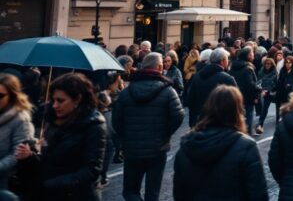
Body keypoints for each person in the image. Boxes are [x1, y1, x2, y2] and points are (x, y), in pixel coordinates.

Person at [15, 73, 107, 201]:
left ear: (77, 99)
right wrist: (29, 156)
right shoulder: (53, 120)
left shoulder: (94, 126)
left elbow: (91, 171)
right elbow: (47, 160)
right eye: (53, 100)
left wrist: (49, 184)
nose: (55, 105)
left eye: (60, 100)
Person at [173, 85, 269, 201]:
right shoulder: (246, 147)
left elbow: (179, 194)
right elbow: (258, 195)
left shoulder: (186, 147)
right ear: (237, 111)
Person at [112, 52, 184, 201]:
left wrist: (126, 136)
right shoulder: (168, 91)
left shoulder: (126, 92)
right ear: (159, 67)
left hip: (132, 148)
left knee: (131, 191)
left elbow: (116, 120)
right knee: (152, 193)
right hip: (157, 148)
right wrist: (165, 133)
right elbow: (178, 116)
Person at [187, 47, 237, 127]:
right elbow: (236, 104)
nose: (228, 61)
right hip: (221, 126)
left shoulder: (197, 76)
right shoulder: (227, 79)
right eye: (227, 59)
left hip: (201, 123)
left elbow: (190, 101)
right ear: (223, 61)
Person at [0, 74, 33, 192]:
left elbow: (17, 154)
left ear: (12, 96)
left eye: (0, 95)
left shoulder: (20, 119)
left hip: (4, 182)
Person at [229, 47, 260, 135]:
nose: (254, 55)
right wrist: (258, 92)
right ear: (248, 56)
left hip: (235, 97)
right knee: (247, 120)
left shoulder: (233, 67)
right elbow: (250, 85)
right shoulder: (248, 68)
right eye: (252, 54)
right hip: (247, 98)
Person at [274, 56, 293, 123]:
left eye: (289, 63)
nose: (288, 64)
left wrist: (290, 86)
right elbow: (279, 81)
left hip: (290, 94)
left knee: (289, 111)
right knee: (279, 111)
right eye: (286, 62)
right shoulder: (282, 70)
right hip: (281, 93)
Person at [255, 57, 279, 135]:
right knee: (263, 107)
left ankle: (261, 124)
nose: (267, 65)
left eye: (269, 64)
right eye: (266, 64)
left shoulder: (274, 72)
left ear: (272, 65)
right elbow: (258, 81)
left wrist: (271, 90)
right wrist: (261, 89)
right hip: (262, 91)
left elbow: (276, 83)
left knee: (269, 107)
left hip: (271, 92)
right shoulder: (261, 71)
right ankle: (260, 124)